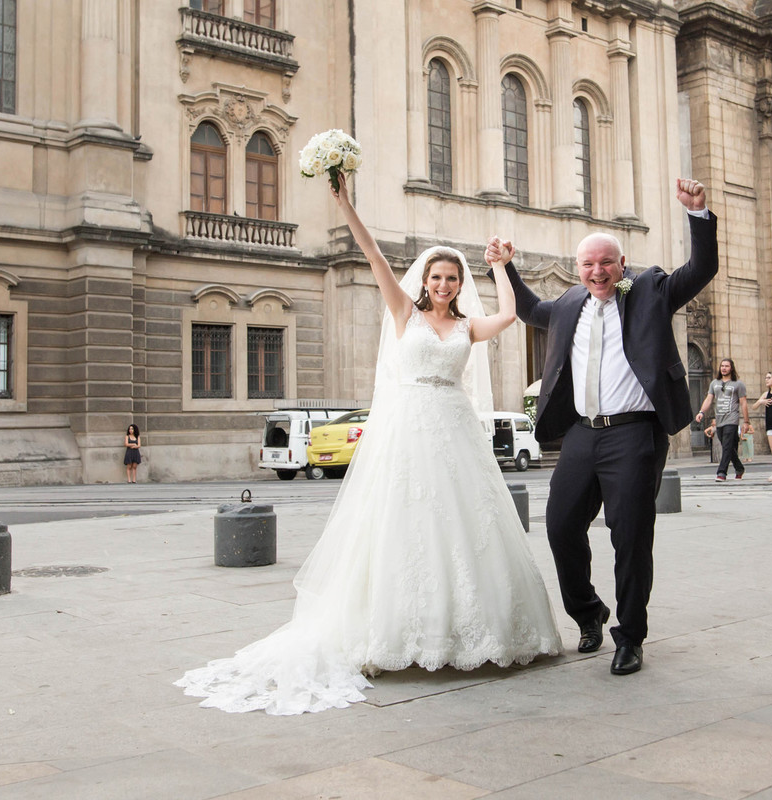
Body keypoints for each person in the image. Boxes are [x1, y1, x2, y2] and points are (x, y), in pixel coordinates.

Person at [176, 175, 561, 715]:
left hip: (453, 428)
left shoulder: (468, 327)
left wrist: (498, 264)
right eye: (438, 276)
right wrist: (347, 207)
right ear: (425, 280)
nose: (446, 284)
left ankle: (467, 630)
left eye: (453, 277)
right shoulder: (405, 311)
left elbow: (509, 314)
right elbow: (374, 255)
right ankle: (398, 632)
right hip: (407, 430)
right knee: (402, 521)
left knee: (463, 523)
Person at [491, 178, 718, 676]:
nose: (598, 272)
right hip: (582, 432)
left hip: (634, 433)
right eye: (588, 265)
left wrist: (697, 215)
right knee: (559, 526)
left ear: (621, 265)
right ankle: (588, 613)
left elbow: (701, 268)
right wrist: (505, 267)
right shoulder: (570, 304)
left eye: (606, 263)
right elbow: (530, 309)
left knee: (630, 536)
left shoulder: (650, 291)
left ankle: (630, 636)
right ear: (579, 269)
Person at [696, 359, 753, 482]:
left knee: (727, 446)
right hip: (719, 420)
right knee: (728, 447)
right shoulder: (714, 383)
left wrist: (746, 422)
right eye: (722, 366)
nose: (724, 368)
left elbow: (743, 403)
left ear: (731, 368)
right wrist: (701, 412)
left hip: (732, 419)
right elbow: (709, 399)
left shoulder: (738, 384)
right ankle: (739, 468)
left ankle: (721, 472)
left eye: (727, 366)